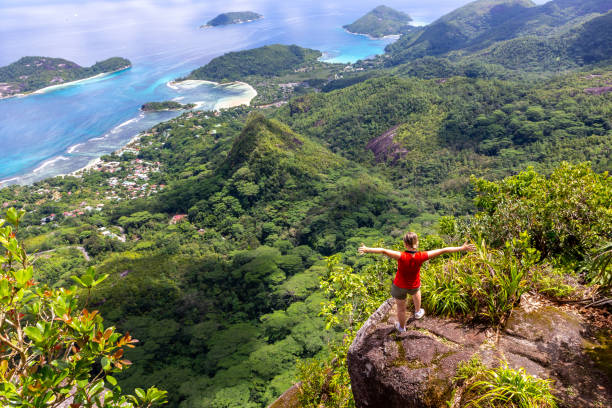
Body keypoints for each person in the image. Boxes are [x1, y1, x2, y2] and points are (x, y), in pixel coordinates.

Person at [358, 232, 475, 332]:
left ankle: (402, 327)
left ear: (405, 244)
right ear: (416, 243)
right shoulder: (421, 256)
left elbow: (383, 250)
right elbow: (443, 250)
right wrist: (461, 248)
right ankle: (418, 312)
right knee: (416, 292)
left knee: (401, 308)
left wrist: (367, 249)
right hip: (413, 284)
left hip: (399, 286)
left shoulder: (401, 256)